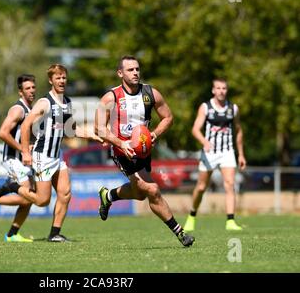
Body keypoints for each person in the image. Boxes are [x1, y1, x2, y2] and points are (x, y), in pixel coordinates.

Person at [95, 55, 195, 247]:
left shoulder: (151, 93)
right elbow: (99, 128)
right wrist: (120, 143)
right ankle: (181, 233)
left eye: (137, 69)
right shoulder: (111, 97)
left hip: (143, 151)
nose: (135, 73)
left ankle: (108, 196)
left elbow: (168, 117)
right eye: (130, 70)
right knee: (152, 189)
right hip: (121, 151)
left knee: (140, 193)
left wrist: (155, 134)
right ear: (120, 73)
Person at [17, 64, 103, 242]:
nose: (62, 81)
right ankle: (13, 188)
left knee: (65, 193)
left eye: (64, 77)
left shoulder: (67, 102)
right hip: (42, 156)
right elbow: (25, 125)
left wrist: (96, 135)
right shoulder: (44, 102)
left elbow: (71, 130)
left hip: (57, 156)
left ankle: (54, 234)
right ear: (51, 80)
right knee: (42, 201)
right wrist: (25, 152)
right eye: (58, 78)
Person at [0, 74, 37, 243]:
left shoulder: (31, 110)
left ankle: (12, 234)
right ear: (20, 92)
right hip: (12, 158)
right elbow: (2, 133)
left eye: (33, 87)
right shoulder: (18, 109)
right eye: (27, 88)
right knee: (28, 196)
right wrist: (23, 150)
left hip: (22, 158)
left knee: (31, 197)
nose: (31, 91)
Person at [183, 78, 246, 231]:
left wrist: (241, 154)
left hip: (227, 151)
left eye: (224, 88)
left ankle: (230, 221)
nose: (221, 91)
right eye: (218, 88)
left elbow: (238, 130)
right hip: (209, 153)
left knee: (230, 184)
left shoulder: (233, 108)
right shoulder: (206, 107)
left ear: (226, 90)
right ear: (213, 90)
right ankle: (192, 215)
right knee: (201, 187)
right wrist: (204, 142)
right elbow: (195, 129)